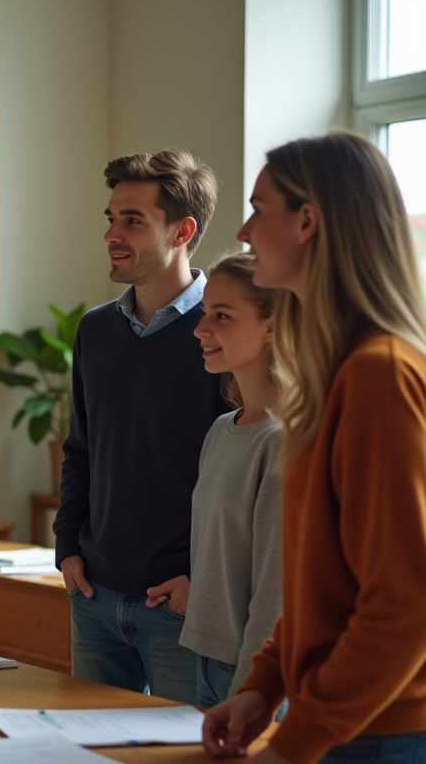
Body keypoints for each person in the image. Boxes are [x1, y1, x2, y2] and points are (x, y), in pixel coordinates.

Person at [203, 133, 426, 763]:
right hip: (343, 721)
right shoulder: (339, 375)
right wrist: (262, 687)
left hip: (377, 732)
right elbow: (322, 588)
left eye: (257, 208)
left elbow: (403, 608)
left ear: (308, 220)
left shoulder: (380, 374)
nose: (244, 232)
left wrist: (293, 743)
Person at [53, 148, 230, 704]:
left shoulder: (225, 334)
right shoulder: (95, 331)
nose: (113, 233)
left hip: (181, 605)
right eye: (111, 218)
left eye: (133, 220)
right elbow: (80, 449)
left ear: (183, 230)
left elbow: (242, 476)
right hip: (95, 597)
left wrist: (202, 581)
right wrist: (67, 548)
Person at [180, 251, 284, 710]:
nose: (201, 329)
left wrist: (250, 691)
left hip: (250, 671)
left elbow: (275, 593)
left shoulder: (285, 441)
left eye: (221, 316)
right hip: (202, 656)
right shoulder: (222, 428)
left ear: (272, 326)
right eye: (204, 313)